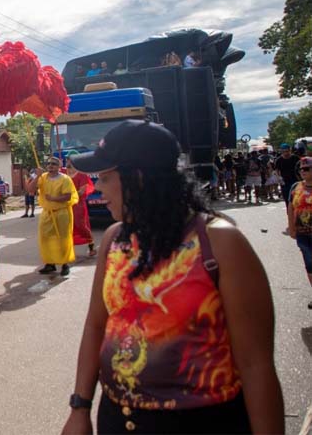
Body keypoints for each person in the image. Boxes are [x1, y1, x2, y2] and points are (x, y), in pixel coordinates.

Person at [62, 120, 284, 434]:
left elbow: (256, 366)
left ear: (137, 177)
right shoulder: (114, 239)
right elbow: (97, 324)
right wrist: (80, 408)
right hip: (117, 419)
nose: (97, 186)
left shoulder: (220, 243)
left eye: (106, 177)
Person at [28, 157, 78, 276]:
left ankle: (65, 264)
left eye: (54, 164)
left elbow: (67, 196)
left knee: (63, 239)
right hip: (47, 213)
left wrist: (53, 198)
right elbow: (30, 189)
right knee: (46, 238)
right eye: (49, 163)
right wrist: (37, 176)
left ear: (59, 166)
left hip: (62, 213)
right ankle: (50, 264)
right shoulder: (43, 177)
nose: (50, 165)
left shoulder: (65, 179)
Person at [288, 157, 312, 309]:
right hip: (303, 234)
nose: (303, 171)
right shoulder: (295, 187)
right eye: (301, 169)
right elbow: (291, 208)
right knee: (309, 264)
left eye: (307, 169)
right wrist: (291, 228)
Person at [66, 158, 96, 256]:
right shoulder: (63, 174)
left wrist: (69, 196)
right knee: (67, 227)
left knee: (81, 225)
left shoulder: (82, 174)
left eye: (70, 161)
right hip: (66, 204)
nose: (68, 163)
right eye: (67, 161)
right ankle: (67, 249)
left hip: (78, 204)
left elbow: (82, 191)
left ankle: (91, 245)